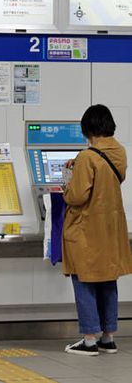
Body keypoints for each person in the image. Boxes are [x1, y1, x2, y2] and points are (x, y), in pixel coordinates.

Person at [63, 104, 132, 356]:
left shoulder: (87, 157)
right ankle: (108, 336)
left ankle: (89, 338)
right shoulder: (120, 153)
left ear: (87, 128)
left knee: (84, 280)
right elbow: (107, 179)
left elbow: (77, 196)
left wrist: (67, 185)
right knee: (107, 280)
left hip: (87, 229)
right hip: (111, 228)